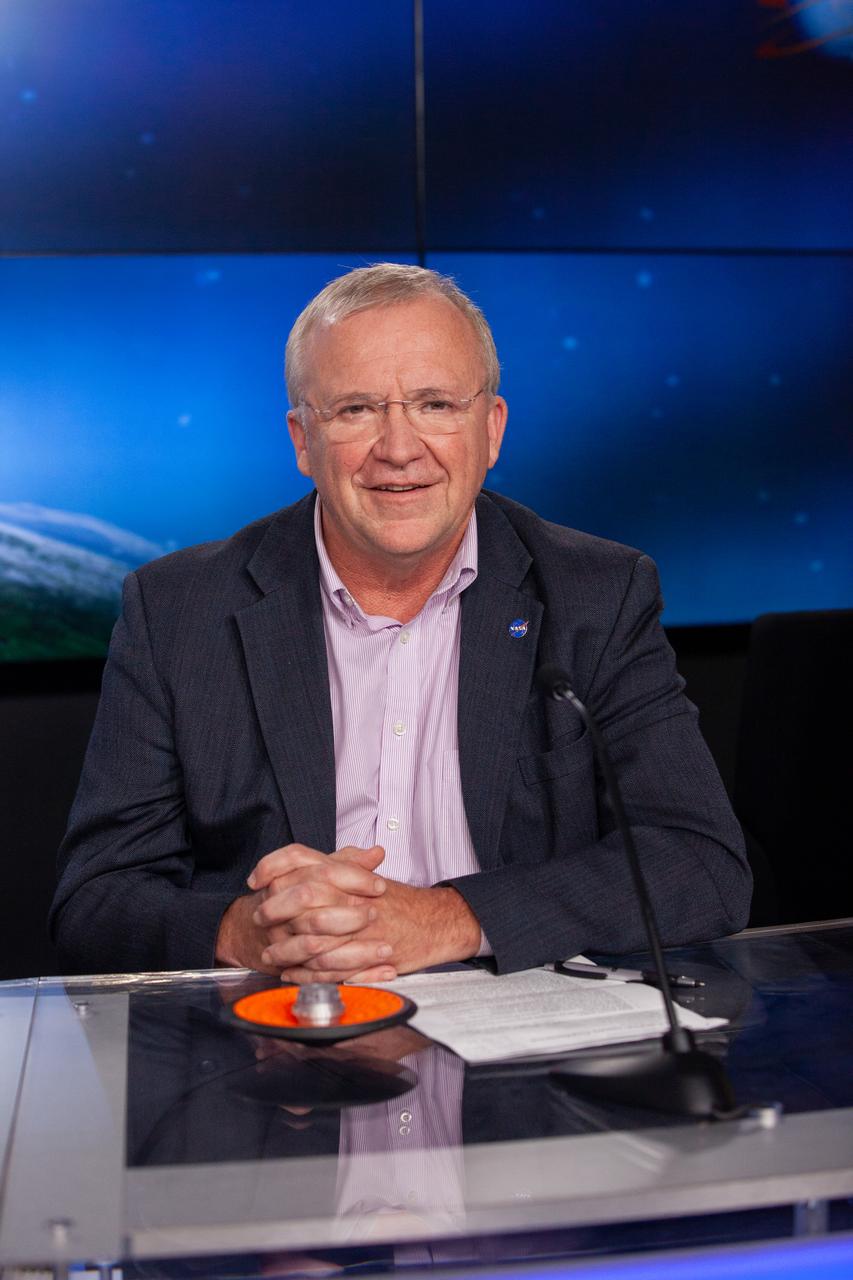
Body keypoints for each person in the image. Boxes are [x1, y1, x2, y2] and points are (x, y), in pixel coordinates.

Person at [50, 263, 751, 979]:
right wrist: (244, 930)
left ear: (491, 428)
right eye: (355, 409)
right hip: (277, 1043)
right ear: (301, 440)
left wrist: (445, 919)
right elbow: (96, 901)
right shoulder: (177, 610)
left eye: (435, 404)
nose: (398, 447)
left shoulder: (595, 596)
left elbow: (697, 863)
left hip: (520, 1038)